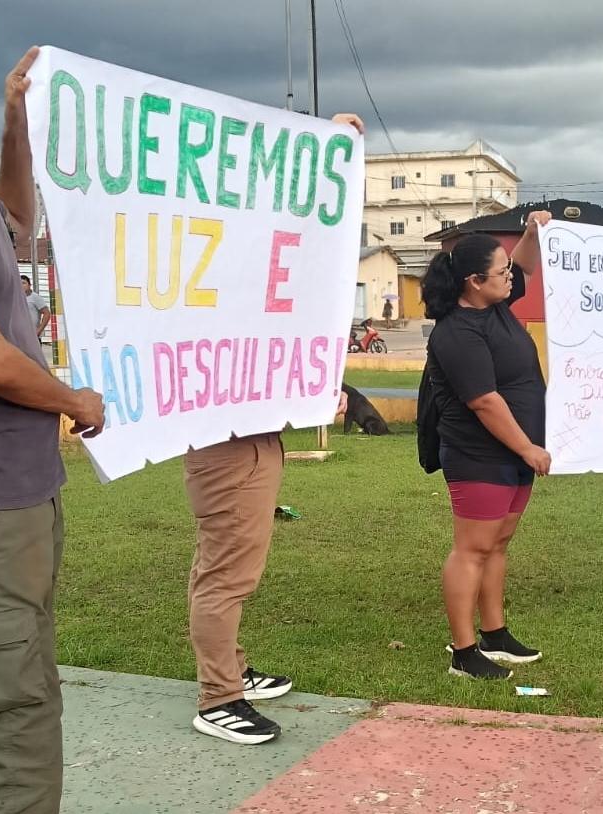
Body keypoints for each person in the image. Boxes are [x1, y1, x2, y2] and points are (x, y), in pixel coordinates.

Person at [185, 112, 363, 745]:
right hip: (226, 446)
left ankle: (229, 670)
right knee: (227, 571)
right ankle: (218, 697)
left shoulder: (241, 292)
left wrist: (324, 149)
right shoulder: (206, 295)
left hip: (254, 441)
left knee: (231, 566)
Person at [0, 37, 105, 814]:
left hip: (18, 491)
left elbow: (16, 215)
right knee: (16, 698)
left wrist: (16, 120)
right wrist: (72, 400)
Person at [421, 210, 552, 680]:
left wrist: (533, 232)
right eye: (501, 273)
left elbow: (526, 265)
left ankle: (495, 634)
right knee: (472, 550)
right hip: (481, 456)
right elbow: (485, 402)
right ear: (474, 281)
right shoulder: (456, 332)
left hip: (515, 454)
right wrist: (527, 449)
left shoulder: (494, 305)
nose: (511, 278)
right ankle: (463, 651)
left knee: (498, 544)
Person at [21, 273, 50, 339]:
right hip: (20, 337)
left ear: (29, 285)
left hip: (33, 336)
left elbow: (47, 313)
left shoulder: (35, 297)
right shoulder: (17, 298)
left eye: (24, 283)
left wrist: (39, 330)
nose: (22, 285)